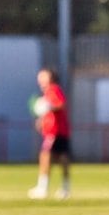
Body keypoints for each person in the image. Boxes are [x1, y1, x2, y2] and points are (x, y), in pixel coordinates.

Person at [27, 68, 71, 200]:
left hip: (55, 131)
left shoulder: (53, 89)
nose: (40, 79)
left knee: (45, 156)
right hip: (58, 130)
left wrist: (48, 107)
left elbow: (61, 104)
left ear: (50, 78)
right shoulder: (47, 93)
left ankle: (43, 188)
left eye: (43, 76)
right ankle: (65, 187)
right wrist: (41, 120)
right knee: (61, 159)